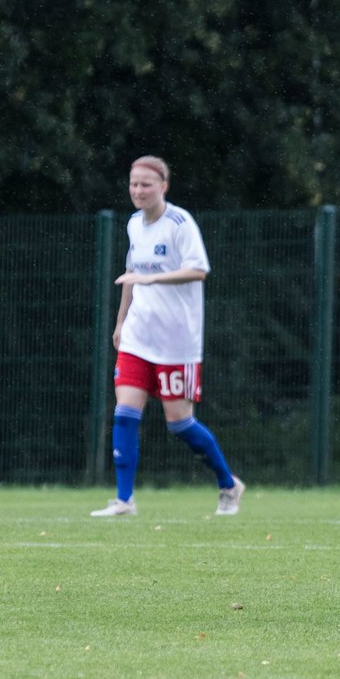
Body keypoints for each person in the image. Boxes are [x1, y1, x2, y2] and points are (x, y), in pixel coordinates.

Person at [91, 155, 245, 518]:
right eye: (133, 184)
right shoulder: (133, 224)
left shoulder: (179, 223)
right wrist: (120, 323)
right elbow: (131, 275)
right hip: (138, 337)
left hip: (177, 341)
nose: (138, 191)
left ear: (163, 186)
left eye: (146, 184)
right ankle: (124, 500)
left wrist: (151, 279)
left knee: (179, 423)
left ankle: (228, 484)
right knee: (125, 412)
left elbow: (198, 269)